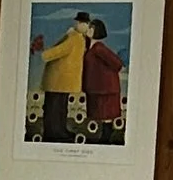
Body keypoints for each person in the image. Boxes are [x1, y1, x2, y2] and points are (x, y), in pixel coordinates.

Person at [37, 11, 91, 142]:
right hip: (59, 79)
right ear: (78, 23)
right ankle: (55, 132)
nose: (84, 26)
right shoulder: (75, 37)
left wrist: (45, 54)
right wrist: (45, 55)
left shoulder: (76, 37)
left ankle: (58, 131)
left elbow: (60, 50)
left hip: (60, 79)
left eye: (85, 23)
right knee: (56, 107)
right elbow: (61, 50)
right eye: (82, 23)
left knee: (57, 107)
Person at [81, 16, 124, 140]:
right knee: (102, 114)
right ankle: (104, 137)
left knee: (106, 116)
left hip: (106, 89)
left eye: (91, 28)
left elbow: (117, 63)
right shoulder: (91, 46)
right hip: (99, 88)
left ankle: (106, 137)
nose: (88, 29)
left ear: (97, 31)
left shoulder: (99, 48)